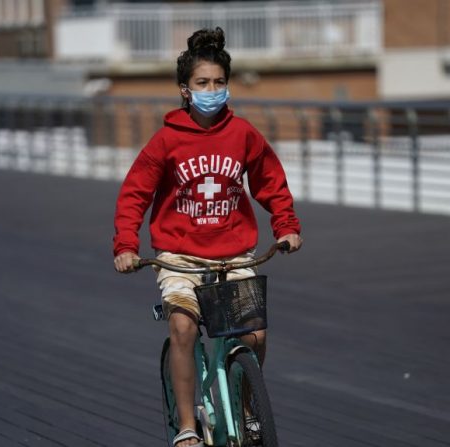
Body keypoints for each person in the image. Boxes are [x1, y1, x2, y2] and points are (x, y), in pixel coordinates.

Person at [112, 27, 302, 447]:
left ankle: (247, 400)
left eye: (219, 82)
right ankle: (186, 426)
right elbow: (135, 193)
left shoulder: (244, 135)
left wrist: (285, 225)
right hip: (178, 257)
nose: (212, 90)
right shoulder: (166, 140)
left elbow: (270, 180)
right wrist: (126, 245)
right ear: (185, 89)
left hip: (234, 255)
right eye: (202, 83)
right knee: (182, 327)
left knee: (255, 334)